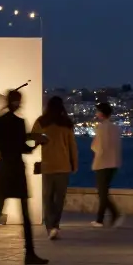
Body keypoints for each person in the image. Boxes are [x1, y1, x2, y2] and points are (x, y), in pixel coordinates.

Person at [0, 89, 49, 265]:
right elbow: (22, 148)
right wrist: (37, 144)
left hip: (3, 168)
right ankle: (29, 253)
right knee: (25, 213)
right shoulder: (18, 122)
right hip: (16, 169)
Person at [32, 96, 77, 239]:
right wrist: (74, 165)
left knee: (47, 197)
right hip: (63, 166)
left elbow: (34, 138)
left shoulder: (41, 122)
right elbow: (72, 147)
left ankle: (50, 226)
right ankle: (55, 225)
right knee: (59, 198)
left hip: (48, 165)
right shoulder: (67, 124)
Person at [90, 102, 123, 228]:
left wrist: (95, 149)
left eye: (98, 111)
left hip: (102, 163)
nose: (96, 113)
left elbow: (96, 146)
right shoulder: (115, 128)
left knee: (102, 192)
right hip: (114, 163)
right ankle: (108, 216)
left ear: (102, 113)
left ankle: (103, 218)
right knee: (104, 192)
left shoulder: (100, 128)